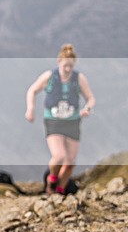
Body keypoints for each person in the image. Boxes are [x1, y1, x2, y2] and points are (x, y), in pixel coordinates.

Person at [25, 44, 95, 194]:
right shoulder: (49, 76)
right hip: (54, 121)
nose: (68, 69)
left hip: (73, 122)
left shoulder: (79, 78)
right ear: (59, 61)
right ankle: (52, 181)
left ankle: (60, 190)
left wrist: (87, 109)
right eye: (65, 66)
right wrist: (30, 109)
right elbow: (32, 90)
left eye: (71, 66)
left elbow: (90, 98)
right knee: (59, 156)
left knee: (70, 162)